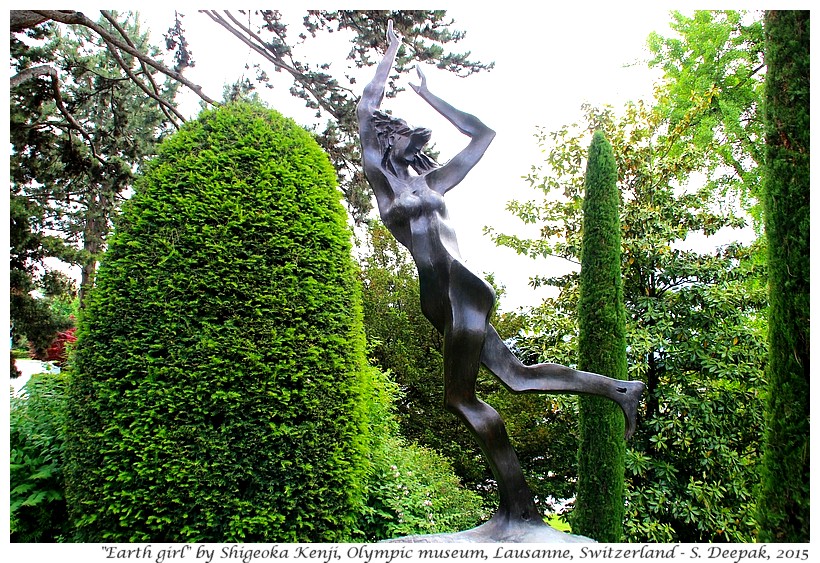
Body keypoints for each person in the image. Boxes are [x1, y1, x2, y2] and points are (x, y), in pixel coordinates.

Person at [357, 21, 645, 537]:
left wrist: (429, 94)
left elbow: (482, 134)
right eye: (392, 134)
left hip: (461, 291)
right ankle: (619, 389)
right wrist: (390, 54)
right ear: (384, 145)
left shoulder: (433, 180)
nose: (400, 139)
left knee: (460, 399)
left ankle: (519, 512)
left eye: (404, 134)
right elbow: (365, 109)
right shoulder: (385, 189)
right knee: (515, 375)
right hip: (442, 305)